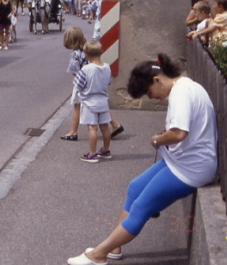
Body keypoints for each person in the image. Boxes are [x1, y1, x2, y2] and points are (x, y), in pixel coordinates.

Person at [68, 53, 217, 265]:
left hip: (191, 168)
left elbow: (178, 133)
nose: (152, 97)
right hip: (182, 160)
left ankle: (98, 255)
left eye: (149, 92)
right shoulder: (184, 86)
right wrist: (165, 137)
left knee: (141, 208)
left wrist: (157, 139)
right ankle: (114, 246)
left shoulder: (181, 94)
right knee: (135, 187)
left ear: (157, 80)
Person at [74, 41, 113, 163]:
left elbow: (78, 84)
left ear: (86, 54)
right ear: (101, 52)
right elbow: (109, 81)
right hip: (103, 100)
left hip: (89, 102)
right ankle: (105, 150)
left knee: (92, 128)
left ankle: (92, 153)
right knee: (105, 127)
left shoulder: (86, 69)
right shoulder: (107, 67)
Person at [60, 26, 88, 141]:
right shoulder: (86, 51)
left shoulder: (75, 54)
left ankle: (73, 131)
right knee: (98, 107)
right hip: (90, 82)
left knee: (76, 106)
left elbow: (74, 71)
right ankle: (115, 125)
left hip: (80, 84)